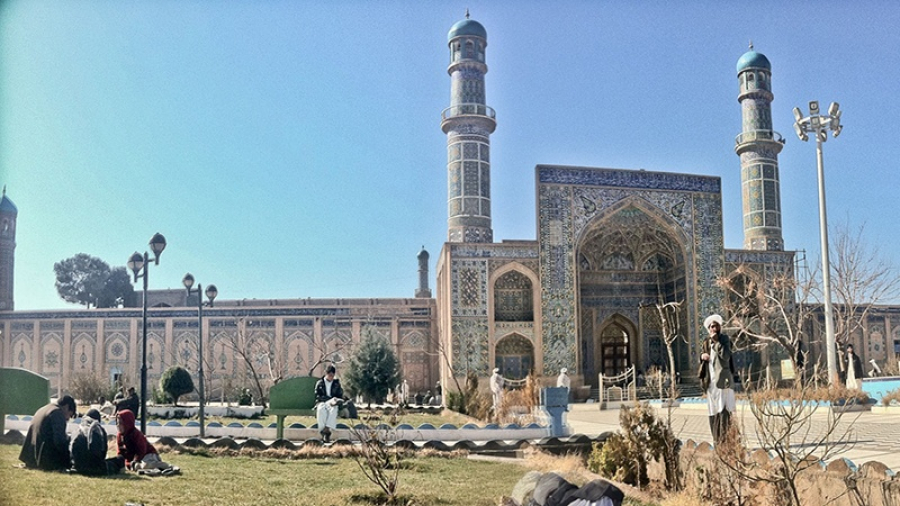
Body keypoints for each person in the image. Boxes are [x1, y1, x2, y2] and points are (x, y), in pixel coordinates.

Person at [697, 314, 736, 445]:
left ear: (719, 327)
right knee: (713, 410)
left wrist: (717, 342)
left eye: (716, 326)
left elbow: (725, 356)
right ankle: (717, 440)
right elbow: (701, 356)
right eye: (711, 327)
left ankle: (726, 440)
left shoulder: (725, 340)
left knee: (724, 408)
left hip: (723, 380)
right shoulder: (706, 342)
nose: (713, 329)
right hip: (710, 382)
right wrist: (702, 356)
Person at [19, 395, 76, 471]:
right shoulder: (57, 413)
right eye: (70, 415)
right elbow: (59, 441)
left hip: (31, 458)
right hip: (45, 460)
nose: (68, 419)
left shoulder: (43, 409)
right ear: (66, 407)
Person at [70, 408, 115, 475]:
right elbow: (102, 454)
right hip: (95, 468)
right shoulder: (99, 430)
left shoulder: (77, 429)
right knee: (119, 460)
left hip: (77, 466)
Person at [314, 364, 344, 442]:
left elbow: (340, 394)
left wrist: (336, 400)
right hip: (322, 402)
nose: (331, 377)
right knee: (321, 410)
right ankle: (325, 432)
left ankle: (326, 429)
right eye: (329, 375)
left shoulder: (336, 384)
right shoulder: (320, 383)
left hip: (333, 403)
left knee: (334, 409)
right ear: (326, 374)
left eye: (332, 375)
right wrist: (327, 400)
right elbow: (318, 395)